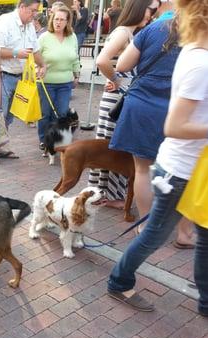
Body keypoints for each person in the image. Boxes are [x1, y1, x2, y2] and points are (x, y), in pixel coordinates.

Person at [107, 0, 208, 316]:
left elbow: (121, 64)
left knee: (202, 233)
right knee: (155, 231)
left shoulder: (192, 52)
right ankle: (119, 279)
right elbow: (174, 125)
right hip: (180, 165)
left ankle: (206, 298)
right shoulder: (199, 62)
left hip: (189, 162)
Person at [109, 9, 195, 246]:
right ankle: (184, 233)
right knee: (185, 172)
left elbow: (123, 64)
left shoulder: (153, 29)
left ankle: (145, 226)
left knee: (143, 169)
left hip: (142, 105)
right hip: (180, 111)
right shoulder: (200, 34)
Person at [90, 0, 157, 209]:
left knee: (113, 146)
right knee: (112, 147)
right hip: (117, 99)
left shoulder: (132, 32)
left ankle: (106, 193)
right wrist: (118, 81)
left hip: (121, 98)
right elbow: (101, 60)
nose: (152, 14)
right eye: (150, 9)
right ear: (139, 7)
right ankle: (105, 194)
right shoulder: (124, 31)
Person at [0, 0, 46, 161]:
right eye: (33, 11)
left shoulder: (29, 26)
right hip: (3, 75)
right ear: (22, 7)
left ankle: (0, 147)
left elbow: (34, 50)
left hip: (20, 77)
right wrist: (16, 52)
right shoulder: (5, 22)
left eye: (37, 11)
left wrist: (43, 65)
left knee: (8, 116)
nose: (35, 15)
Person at [37, 5, 80, 148]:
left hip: (65, 82)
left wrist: (76, 75)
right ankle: (44, 140)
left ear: (68, 22)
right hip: (46, 82)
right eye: (56, 19)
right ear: (51, 19)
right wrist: (38, 68)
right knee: (45, 113)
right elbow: (34, 57)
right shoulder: (44, 37)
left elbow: (75, 58)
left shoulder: (72, 37)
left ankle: (58, 140)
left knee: (61, 113)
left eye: (62, 20)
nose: (58, 22)